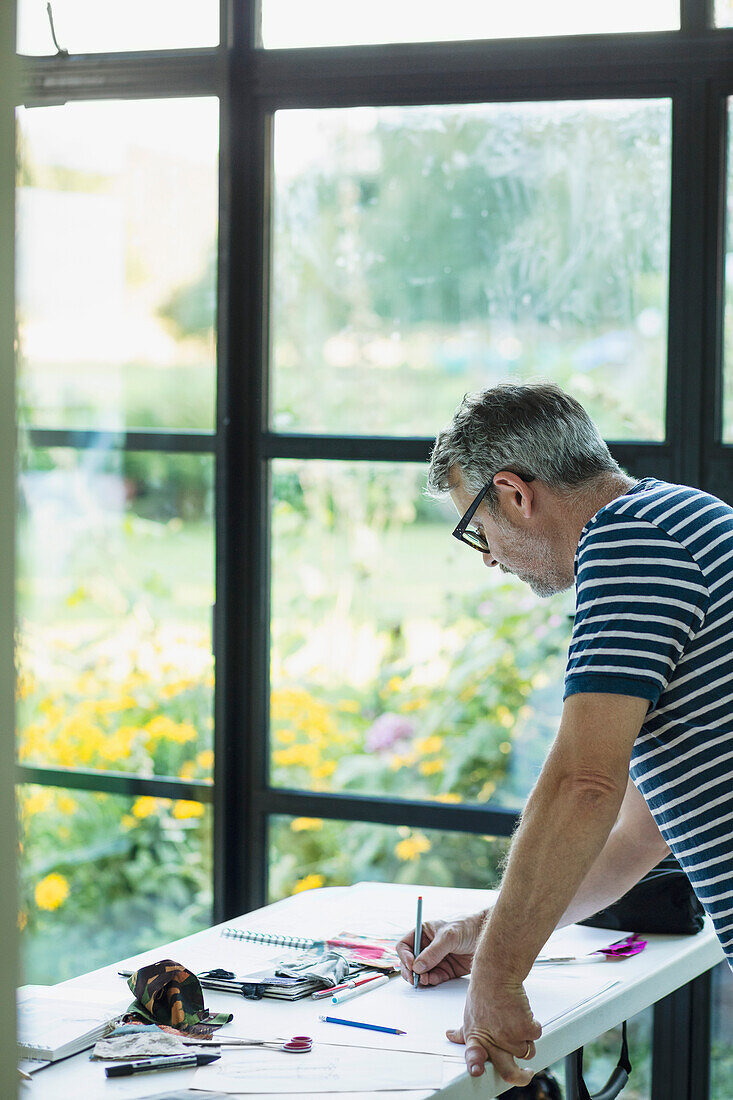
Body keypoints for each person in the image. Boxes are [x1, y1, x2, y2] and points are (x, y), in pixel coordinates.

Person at [395, 382, 733, 1089]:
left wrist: (498, 977)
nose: (487, 557)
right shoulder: (676, 517)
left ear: (514, 494)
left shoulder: (629, 543)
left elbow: (584, 782)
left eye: (475, 529)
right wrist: (490, 930)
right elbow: (636, 836)